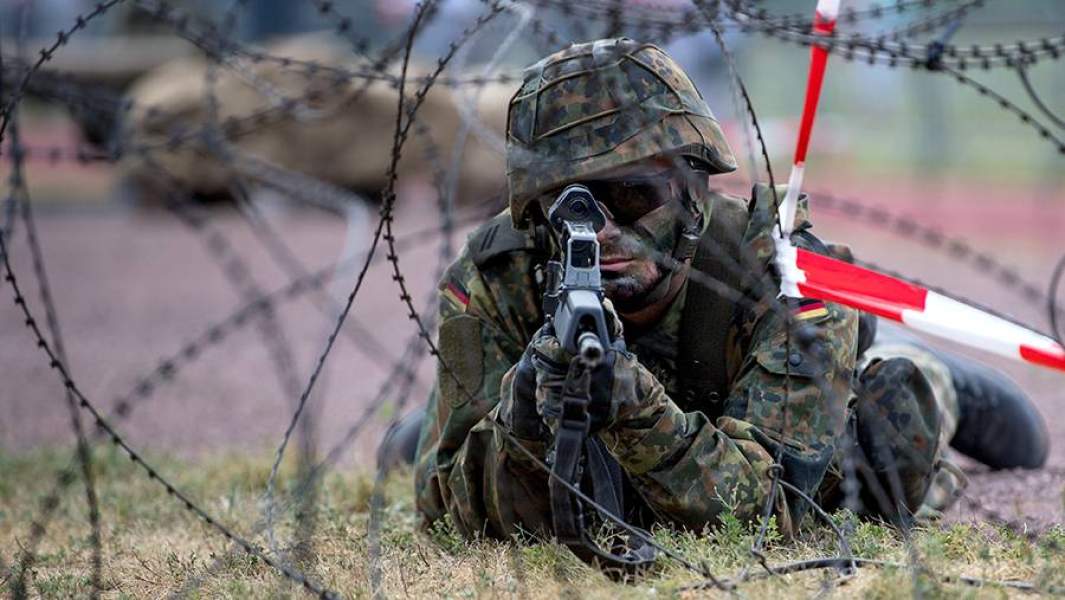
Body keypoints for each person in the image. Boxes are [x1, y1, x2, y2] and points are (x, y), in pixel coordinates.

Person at [378, 38, 1048, 549]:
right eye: (572, 208)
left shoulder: (779, 275)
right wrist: (527, 413)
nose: (602, 231)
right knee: (408, 447)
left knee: (915, 421)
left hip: (774, 384)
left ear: (694, 188)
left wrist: (634, 407)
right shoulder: (500, 275)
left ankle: (906, 359)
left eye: (632, 195)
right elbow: (442, 513)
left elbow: (771, 512)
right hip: (669, 424)